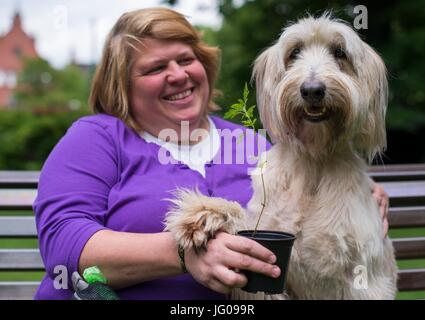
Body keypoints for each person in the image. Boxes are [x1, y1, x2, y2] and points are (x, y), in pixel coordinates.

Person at [33, 7, 390, 300]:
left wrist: (363, 196)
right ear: (122, 86)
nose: (178, 75)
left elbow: (312, 185)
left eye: (186, 59)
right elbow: (63, 244)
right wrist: (182, 255)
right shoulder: (98, 138)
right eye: (156, 68)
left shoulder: (255, 146)